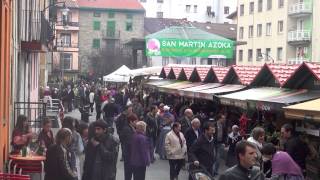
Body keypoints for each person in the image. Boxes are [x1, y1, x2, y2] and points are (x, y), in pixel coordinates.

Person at [121, 114, 139, 180]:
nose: (137, 123)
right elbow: (129, 142)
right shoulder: (127, 129)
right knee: (128, 174)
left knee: (131, 173)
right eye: (135, 121)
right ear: (131, 121)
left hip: (132, 155)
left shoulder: (132, 128)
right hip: (128, 155)